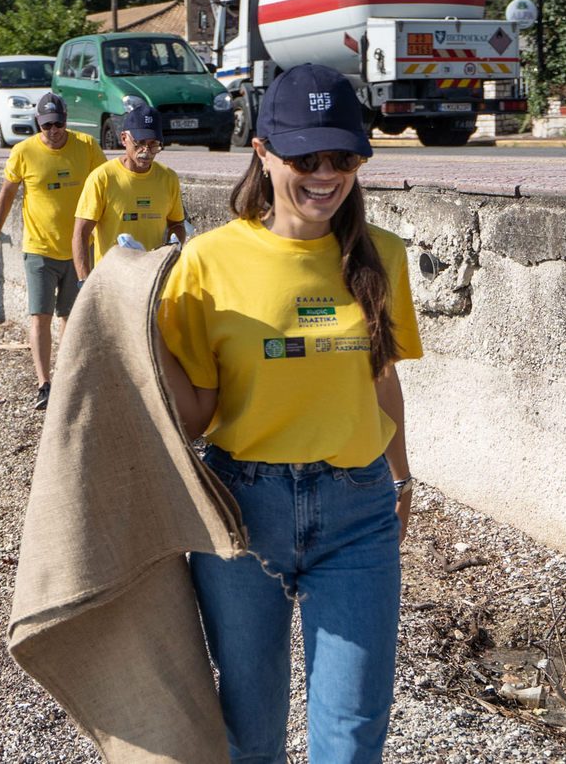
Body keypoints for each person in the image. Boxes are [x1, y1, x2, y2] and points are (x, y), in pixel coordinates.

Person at [155, 63, 423, 764]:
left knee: (353, 735)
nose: (326, 175)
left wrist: (401, 475)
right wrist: (144, 346)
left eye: (343, 158)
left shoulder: (381, 257)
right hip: (242, 515)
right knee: (250, 732)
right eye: (306, 158)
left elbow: (381, 381)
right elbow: (196, 413)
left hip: (358, 513)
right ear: (263, 152)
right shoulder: (206, 264)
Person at [0, 92, 105, 411]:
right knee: (40, 315)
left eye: (59, 123)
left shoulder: (87, 146)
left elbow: (108, 186)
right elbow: (7, 194)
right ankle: (43, 383)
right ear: (38, 123)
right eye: (47, 124)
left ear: (66, 121)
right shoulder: (23, 152)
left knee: (70, 316)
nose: (54, 130)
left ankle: (64, 378)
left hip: (80, 248)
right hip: (39, 248)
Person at [71, 104, 186, 282]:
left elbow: (177, 224)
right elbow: (80, 234)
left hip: (152, 279)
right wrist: (84, 282)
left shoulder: (168, 178)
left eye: (153, 145)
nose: (146, 152)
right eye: (139, 144)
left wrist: (173, 245)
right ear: (124, 138)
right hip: (112, 280)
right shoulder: (103, 178)